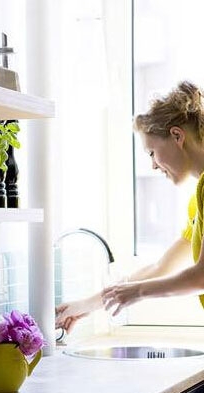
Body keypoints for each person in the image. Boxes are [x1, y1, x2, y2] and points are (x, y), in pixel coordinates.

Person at [55, 80, 204, 333]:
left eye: (151, 152)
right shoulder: (197, 201)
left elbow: (200, 277)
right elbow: (161, 268)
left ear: (177, 136)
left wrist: (137, 292)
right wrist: (86, 305)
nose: (153, 165)